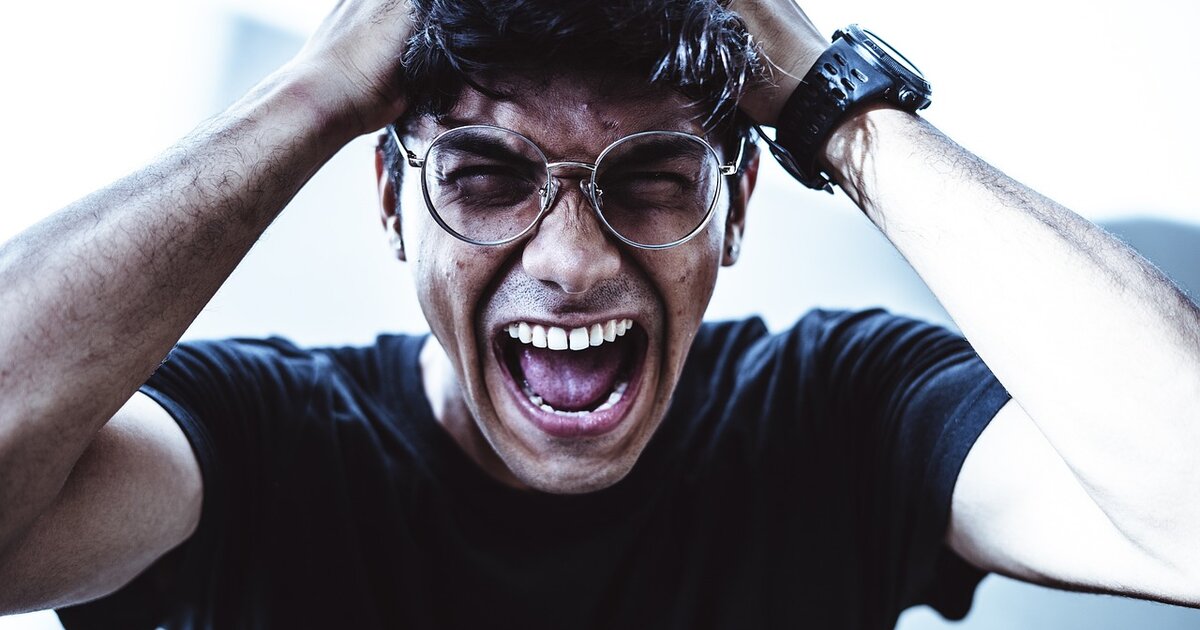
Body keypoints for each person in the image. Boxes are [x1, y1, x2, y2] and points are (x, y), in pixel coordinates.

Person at [0, 0, 1196, 628]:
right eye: (486, 176)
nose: (573, 263)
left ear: (734, 205)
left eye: (654, 178)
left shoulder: (847, 417)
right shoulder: (247, 442)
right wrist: (311, 97)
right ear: (394, 202)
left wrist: (829, 99)